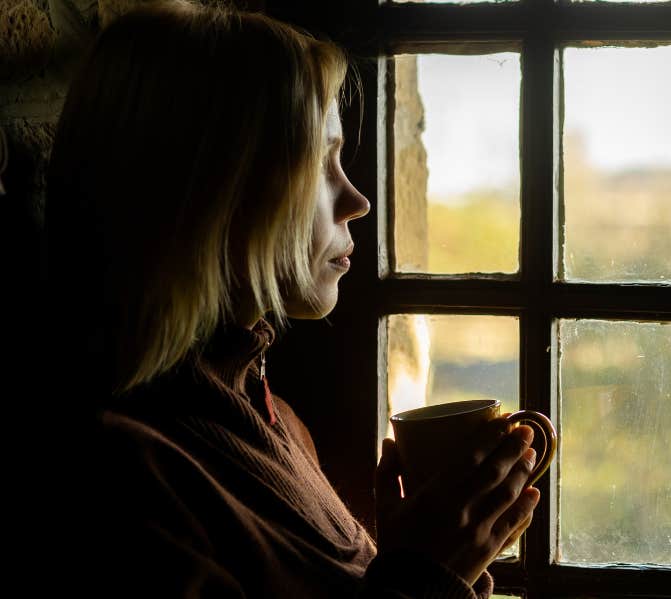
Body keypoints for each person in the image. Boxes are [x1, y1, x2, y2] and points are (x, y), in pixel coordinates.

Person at [47, 3, 539, 597]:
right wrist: (421, 575)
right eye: (319, 163)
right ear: (215, 191)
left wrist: (442, 560)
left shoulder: (279, 425)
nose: (357, 199)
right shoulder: (117, 477)